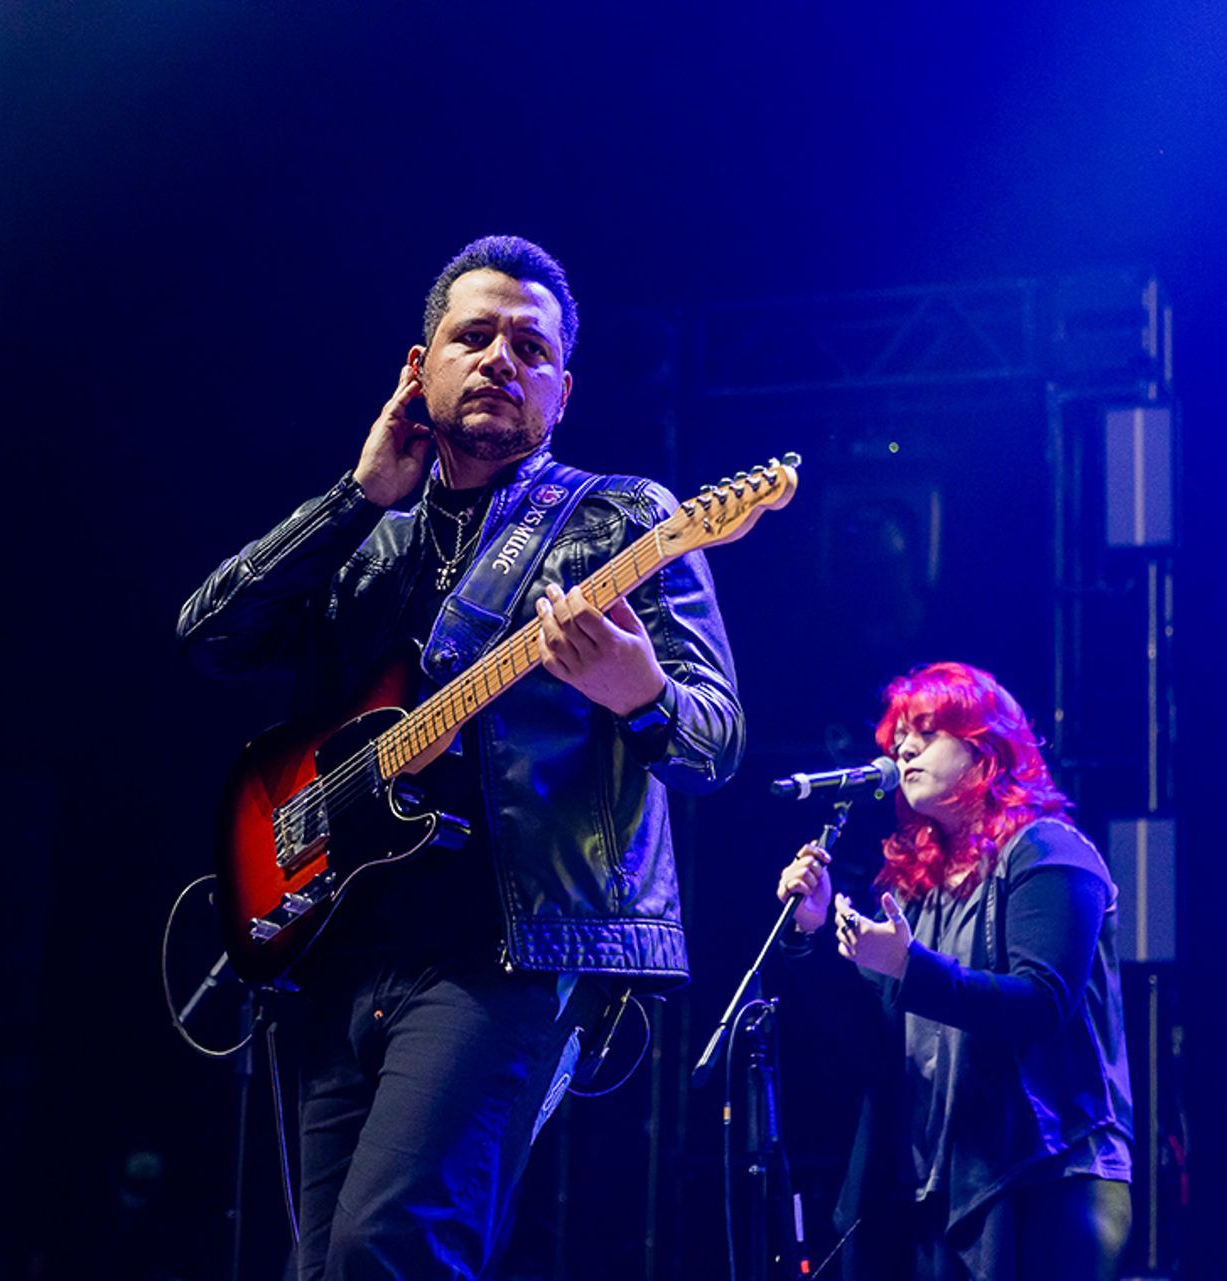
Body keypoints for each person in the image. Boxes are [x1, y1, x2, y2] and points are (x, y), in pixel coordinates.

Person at [178, 234, 744, 1279]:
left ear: (563, 391)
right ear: (418, 368)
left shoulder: (619, 518)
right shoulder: (368, 532)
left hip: (503, 957)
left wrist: (639, 692)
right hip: (334, 941)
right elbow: (210, 638)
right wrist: (357, 497)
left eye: (531, 348)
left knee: (390, 1248)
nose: (499, 359)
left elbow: (714, 742)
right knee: (322, 1270)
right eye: (472, 335)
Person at [775, 662, 1132, 1281]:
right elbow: (871, 1046)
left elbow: (1041, 1004)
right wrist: (810, 936)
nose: (904, 748)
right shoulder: (917, 888)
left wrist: (911, 969)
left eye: (927, 731)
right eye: (898, 738)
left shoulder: (1050, 850)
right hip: (929, 1186)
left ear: (984, 748)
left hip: (1044, 1175)